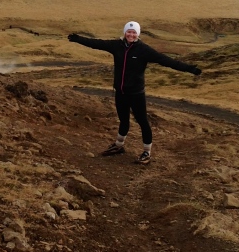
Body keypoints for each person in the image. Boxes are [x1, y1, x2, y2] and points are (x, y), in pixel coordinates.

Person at [68, 20, 201, 165]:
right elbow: (96, 43)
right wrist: (78, 39)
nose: (131, 35)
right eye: (129, 32)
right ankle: (119, 146)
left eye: (134, 32)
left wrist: (190, 69)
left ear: (138, 34)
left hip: (136, 94)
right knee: (123, 120)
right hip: (120, 92)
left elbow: (167, 61)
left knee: (143, 122)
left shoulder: (144, 50)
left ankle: (147, 152)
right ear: (125, 33)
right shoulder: (116, 46)